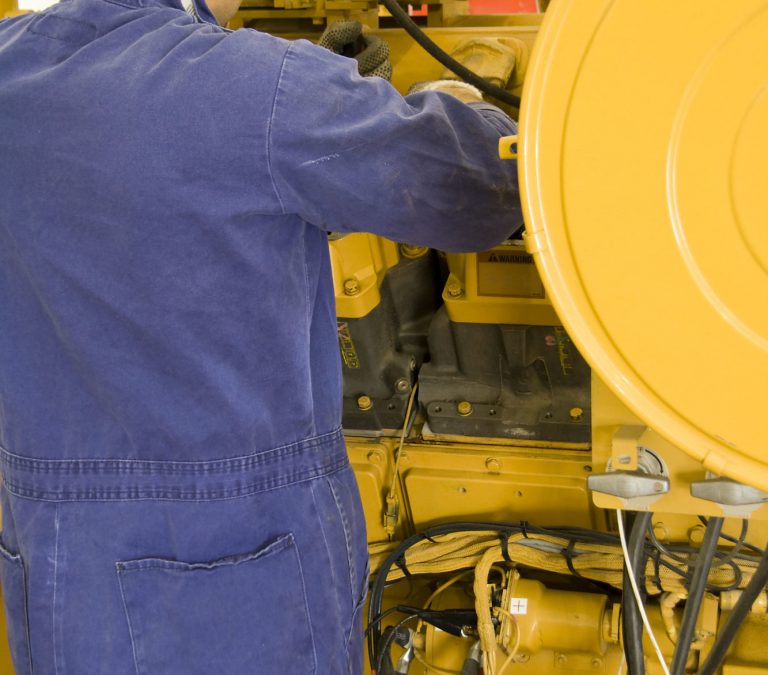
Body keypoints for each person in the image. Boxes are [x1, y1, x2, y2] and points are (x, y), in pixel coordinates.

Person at [0, 0, 522, 669]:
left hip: (54, 561)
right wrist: (452, 101)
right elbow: (478, 187)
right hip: (235, 572)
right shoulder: (265, 87)